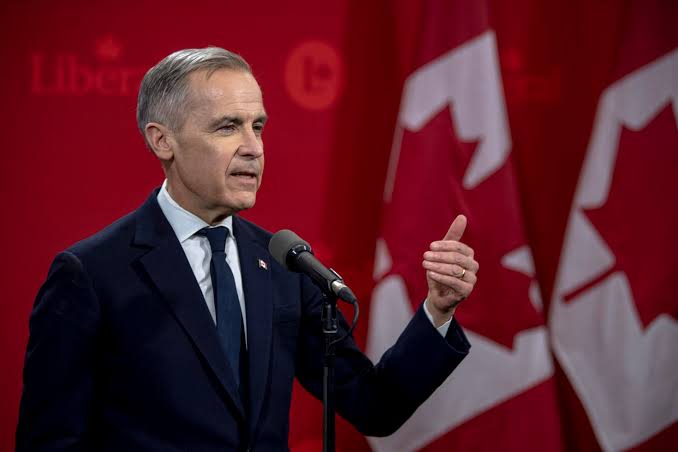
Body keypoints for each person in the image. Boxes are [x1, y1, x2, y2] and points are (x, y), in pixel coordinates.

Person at [16, 47, 479, 451]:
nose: (253, 147)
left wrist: (437, 311)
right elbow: (52, 441)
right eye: (227, 127)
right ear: (162, 140)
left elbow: (374, 405)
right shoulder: (92, 274)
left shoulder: (286, 265)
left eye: (257, 126)